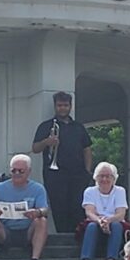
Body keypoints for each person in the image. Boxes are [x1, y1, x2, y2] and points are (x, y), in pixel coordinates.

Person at [32, 90, 92, 235]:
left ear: (70, 106)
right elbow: (35, 148)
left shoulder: (78, 127)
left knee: (77, 207)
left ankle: (78, 236)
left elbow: (87, 149)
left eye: (65, 105)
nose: (63, 108)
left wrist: (87, 171)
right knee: (59, 207)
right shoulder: (46, 126)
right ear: (55, 106)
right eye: (59, 105)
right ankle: (63, 237)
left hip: (78, 174)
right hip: (55, 175)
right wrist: (47, 142)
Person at [0, 154, 49, 260]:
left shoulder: (38, 189)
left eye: (21, 171)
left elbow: (44, 209)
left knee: (41, 221)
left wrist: (37, 212)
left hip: (28, 231)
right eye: (13, 170)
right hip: (5, 231)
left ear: (29, 171)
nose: (17, 173)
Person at [78, 163, 128, 260]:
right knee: (91, 226)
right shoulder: (89, 191)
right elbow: (89, 212)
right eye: (101, 176)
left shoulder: (120, 191)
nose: (104, 179)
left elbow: (120, 214)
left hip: (114, 222)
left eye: (108, 176)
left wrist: (108, 221)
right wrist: (100, 221)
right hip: (95, 222)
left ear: (114, 178)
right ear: (96, 178)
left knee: (116, 225)